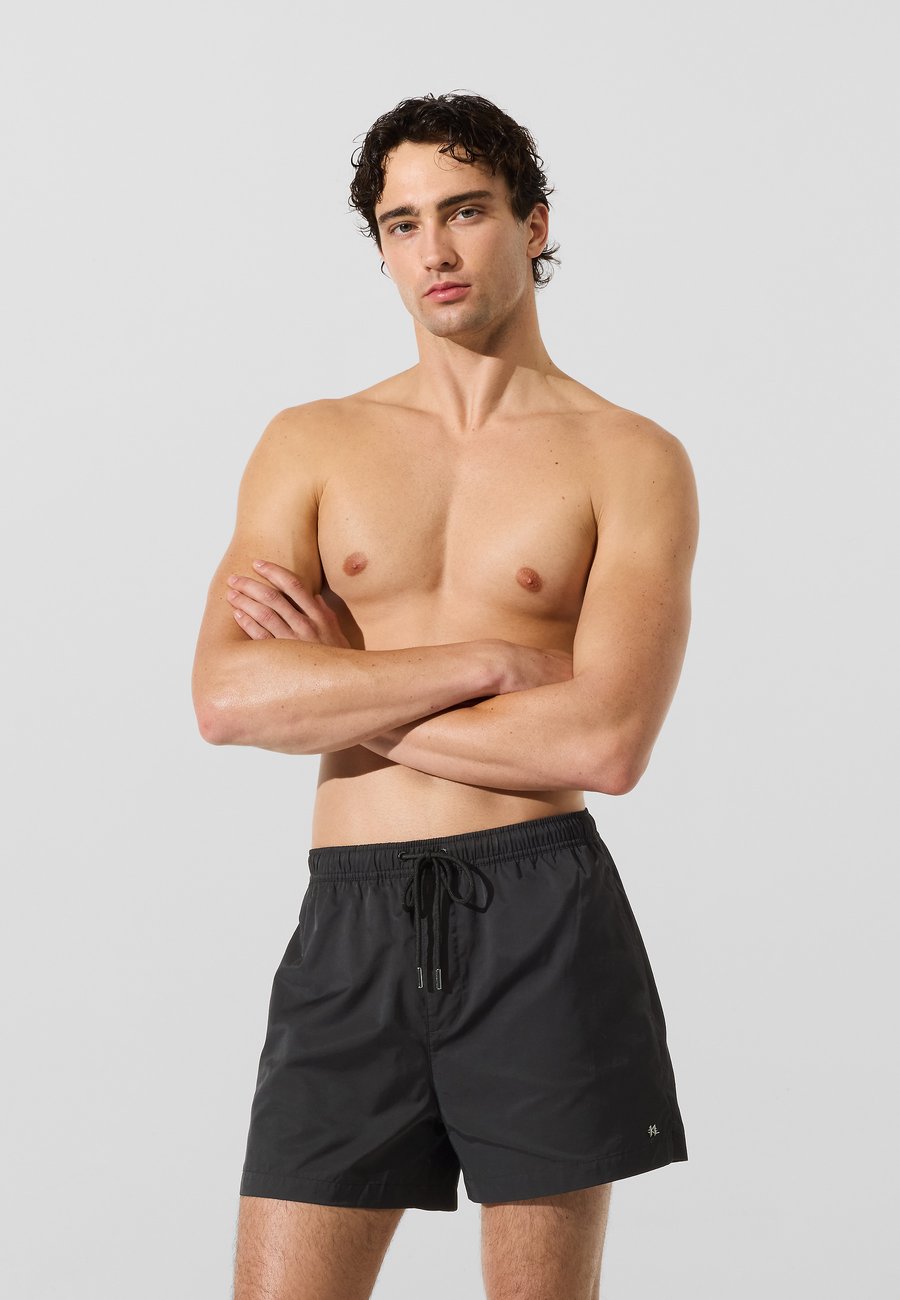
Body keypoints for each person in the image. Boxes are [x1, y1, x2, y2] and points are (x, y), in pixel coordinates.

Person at [191, 89, 699, 1300]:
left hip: (541, 915)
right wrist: (490, 663)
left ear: (533, 224)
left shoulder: (631, 457)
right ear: (380, 245)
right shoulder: (311, 442)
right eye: (402, 222)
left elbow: (608, 740)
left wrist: (343, 683)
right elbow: (228, 698)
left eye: (466, 211)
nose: (435, 249)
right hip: (350, 922)